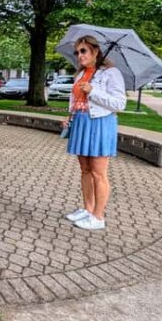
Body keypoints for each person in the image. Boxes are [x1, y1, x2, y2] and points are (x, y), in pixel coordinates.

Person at [62, 35, 127, 230]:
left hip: (99, 124)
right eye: (77, 52)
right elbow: (76, 100)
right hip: (81, 123)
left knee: (99, 173)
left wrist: (93, 91)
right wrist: (70, 116)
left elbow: (119, 103)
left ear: (95, 51)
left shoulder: (110, 73)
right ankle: (88, 209)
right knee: (85, 170)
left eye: (83, 51)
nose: (79, 55)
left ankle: (98, 217)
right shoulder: (81, 74)